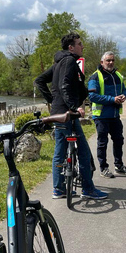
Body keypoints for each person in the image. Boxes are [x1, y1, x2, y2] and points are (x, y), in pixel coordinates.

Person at [34, 33, 108, 200]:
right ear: (71, 47)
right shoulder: (68, 62)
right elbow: (65, 85)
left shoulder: (59, 62)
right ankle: (88, 189)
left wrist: (53, 101)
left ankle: (58, 189)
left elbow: (39, 81)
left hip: (58, 112)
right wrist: (74, 107)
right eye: (79, 44)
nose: (82, 46)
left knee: (60, 151)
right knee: (83, 151)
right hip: (67, 113)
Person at [87, 51, 126, 178]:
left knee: (119, 140)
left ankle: (119, 165)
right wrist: (112, 99)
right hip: (101, 116)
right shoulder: (95, 77)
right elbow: (92, 96)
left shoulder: (117, 75)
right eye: (108, 60)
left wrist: (124, 95)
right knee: (102, 143)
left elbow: (124, 89)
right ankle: (103, 168)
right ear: (102, 62)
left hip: (114, 115)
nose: (111, 62)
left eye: (112, 60)